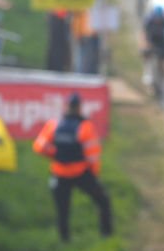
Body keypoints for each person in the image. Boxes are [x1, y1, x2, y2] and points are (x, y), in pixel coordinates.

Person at [32, 92, 113, 242]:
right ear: (79, 107)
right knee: (103, 201)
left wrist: (56, 154)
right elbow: (92, 156)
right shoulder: (85, 127)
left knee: (62, 211)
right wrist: (93, 174)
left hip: (59, 174)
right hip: (81, 173)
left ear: (66, 106)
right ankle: (106, 235)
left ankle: (65, 241)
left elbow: (39, 146)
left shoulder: (54, 125)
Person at [141, 6, 164, 93]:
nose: (158, 20)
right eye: (157, 19)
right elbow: (143, 33)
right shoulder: (149, 20)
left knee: (162, 62)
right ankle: (147, 73)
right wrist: (145, 44)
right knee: (146, 54)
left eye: (160, 19)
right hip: (151, 40)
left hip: (161, 42)